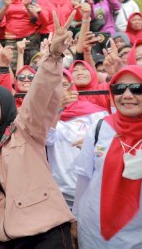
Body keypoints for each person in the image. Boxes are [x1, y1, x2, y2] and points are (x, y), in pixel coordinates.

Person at [0, 12, 75, 247]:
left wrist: (54, 57)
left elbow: (38, 96)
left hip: (45, 232)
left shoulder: (25, 129)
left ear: (6, 107)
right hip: (6, 237)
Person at [73, 65, 142, 248]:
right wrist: (76, 219)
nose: (127, 95)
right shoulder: (100, 127)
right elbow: (84, 178)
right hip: (95, 236)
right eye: (119, 89)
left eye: (137, 88)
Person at [47, 70, 108, 209]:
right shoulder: (43, 114)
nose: (60, 90)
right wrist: (58, 108)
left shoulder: (95, 113)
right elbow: (46, 140)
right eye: (54, 86)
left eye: (64, 85)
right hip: (59, 192)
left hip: (91, 190)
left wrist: (92, 143)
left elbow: (109, 141)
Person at [0, 0, 48, 71]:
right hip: (11, 40)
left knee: (34, 68)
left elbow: (34, 19)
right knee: (12, 69)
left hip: (30, 39)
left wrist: (27, 7)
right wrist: (6, 6)